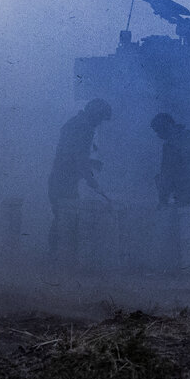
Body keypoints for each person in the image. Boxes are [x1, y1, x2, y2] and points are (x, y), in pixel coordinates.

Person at [47, 98, 112, 260]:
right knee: (66, 220)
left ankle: (56, 258)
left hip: (60, 179)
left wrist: (91, 164)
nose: (99, 123)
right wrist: (93, 182)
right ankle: (60, 260)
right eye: (100, 118)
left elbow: (70, 154)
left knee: (62, 217)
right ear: (95, 115)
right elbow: (79, 159)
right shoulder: (84, 128)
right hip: (64, 181)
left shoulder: (75, 123)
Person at [150, 112, 190, 213]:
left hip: (186, 193)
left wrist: (162, 201)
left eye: (158, 131)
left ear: (166, 126)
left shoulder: (170, 145)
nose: (158, 135)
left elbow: (167, 174)